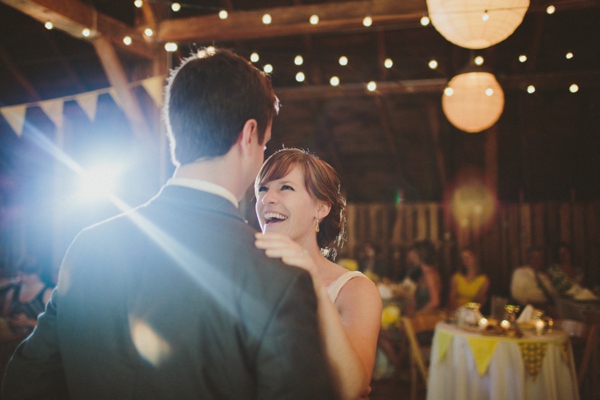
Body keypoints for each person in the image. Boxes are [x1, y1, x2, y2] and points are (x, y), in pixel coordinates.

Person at [2, 49, 335, 400]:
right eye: (265, 144)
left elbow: (26, 382)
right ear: (249, 135)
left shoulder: (89, 244)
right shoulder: (276, 272)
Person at [254, 148, 382, 399]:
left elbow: (353, 388)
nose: (267, 198)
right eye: (262, 188)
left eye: (285, 188)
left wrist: (313, 284)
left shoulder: (355, 290)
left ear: (321, 208)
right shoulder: (247, 277)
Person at [405, 240, 442, 315]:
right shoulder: (423, 273)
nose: (411, 259)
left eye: (414, 256)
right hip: (420, 315)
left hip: (426, 319)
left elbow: (435, 302)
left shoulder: (430, 275)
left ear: (421, 255)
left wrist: (417, 314)